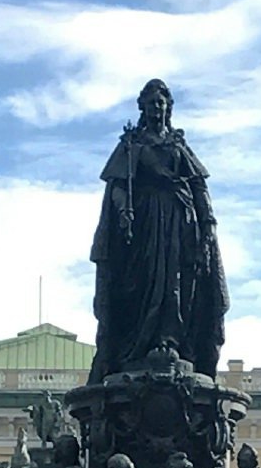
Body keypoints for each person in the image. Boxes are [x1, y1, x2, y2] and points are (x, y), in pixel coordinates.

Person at [88, 80, 228, 381]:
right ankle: (138, 345)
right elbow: (116, 186)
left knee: (178, 284)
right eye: (151, 102)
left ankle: (173, 340)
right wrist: (124, 209)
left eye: (161, 102)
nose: (156, 107)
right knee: (142, 281)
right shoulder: (131, 145)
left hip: (180, 221)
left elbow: (198, 185)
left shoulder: (178, 145)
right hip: (144, 223)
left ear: (168, 107)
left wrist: (208, 223)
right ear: (143, 107)